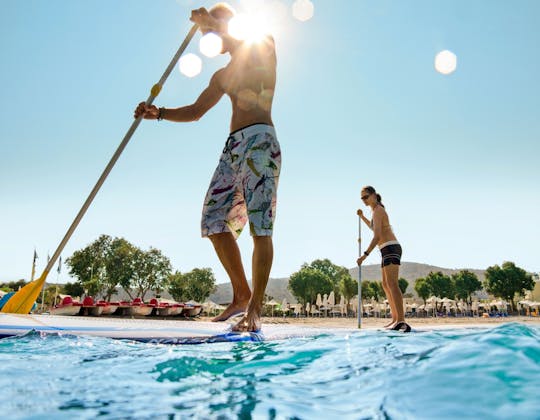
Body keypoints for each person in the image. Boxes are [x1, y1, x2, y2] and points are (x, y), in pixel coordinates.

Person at [134, 3, 280, 332]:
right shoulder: (222, 75)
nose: (210, 38)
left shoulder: (263, 46)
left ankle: (254, 310)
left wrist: (212, 22)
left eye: (212, 32)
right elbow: (197, 110)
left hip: (260, 143)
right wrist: (157, 113)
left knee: (260, 228)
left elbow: (246, 35)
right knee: (214, 222)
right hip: (233, 147)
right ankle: (241, 294)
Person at [356, 186, 410, 332]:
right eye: (362, 198)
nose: (364, 200)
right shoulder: (375, 212)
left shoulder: (379, 210)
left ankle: (401, 321)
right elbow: (375, 229)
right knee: (385, 284)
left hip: (391, 247)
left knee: (392, 283)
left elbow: (377, 236)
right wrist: (362, 217)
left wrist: (365, 255)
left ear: (373, 195)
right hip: (385, 249)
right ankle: (395, 318)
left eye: (366, 197)